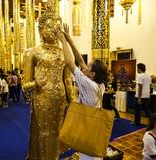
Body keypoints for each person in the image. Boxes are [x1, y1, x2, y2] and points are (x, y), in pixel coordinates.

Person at [22, 7, 75, 160]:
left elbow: (67, 80)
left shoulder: (62, 51)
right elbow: (25, 85)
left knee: (57, 132)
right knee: (43, 133)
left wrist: (72, 102)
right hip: (41, 98)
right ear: (41, 28)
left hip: (60, 98)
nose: (55, 31)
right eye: (51, 27)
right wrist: (35, 84)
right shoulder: (33, 52)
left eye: (58, 27)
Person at [55, 24, 109, 160]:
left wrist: (62, 40)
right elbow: (79, 60)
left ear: (92, 74)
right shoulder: (99, 84)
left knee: (87, 156)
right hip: (91, 128)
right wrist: (69, 39)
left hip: (88, 132)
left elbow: (70, 62)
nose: (84, 67)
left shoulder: (89, 84)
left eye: (88, 67)